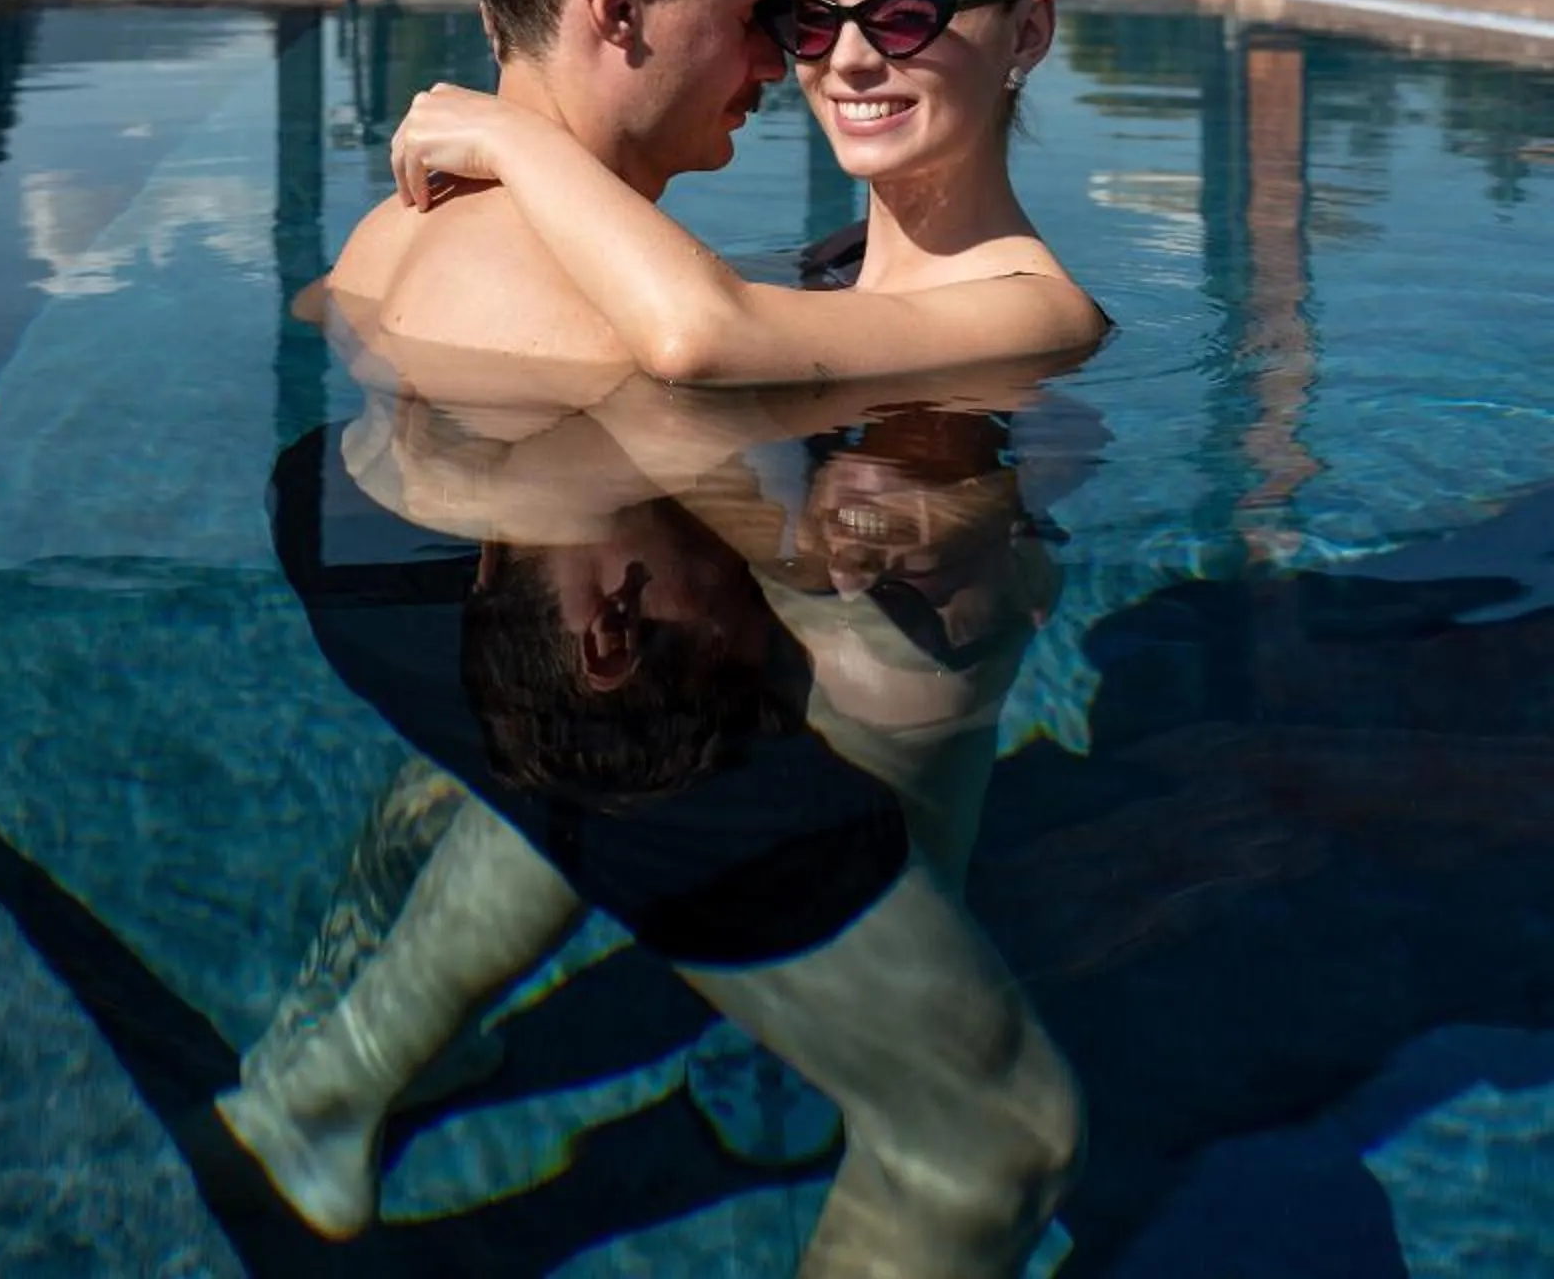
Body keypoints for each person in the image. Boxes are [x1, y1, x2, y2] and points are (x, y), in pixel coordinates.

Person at [202, 381, 1083, 1276]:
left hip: (360, 531)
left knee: (631, 750)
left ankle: (332, 1092)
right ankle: (334, 1094)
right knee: (997, 1139)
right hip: (475, 591)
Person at [371, 0, 1108, 390]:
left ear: (1030, 33)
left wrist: (516, 140)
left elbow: (703, 340)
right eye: (812, 20)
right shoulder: (821, 265)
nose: (844, 59)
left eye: (905, 13)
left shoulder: (1039, 311)